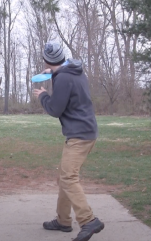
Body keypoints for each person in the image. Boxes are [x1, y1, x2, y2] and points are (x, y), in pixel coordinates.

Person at [33, 41, 104, 241]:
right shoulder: (74, 70)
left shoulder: (63, 78)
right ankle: (63, 221)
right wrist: (52, 72)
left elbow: (55, 109)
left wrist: (43, 96)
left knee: (68, 178)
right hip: (86, 131)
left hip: (79, 135)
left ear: (47, 60)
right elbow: (63, 78)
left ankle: (88, 221)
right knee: (64, 176)